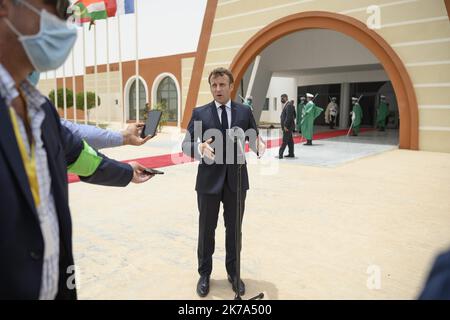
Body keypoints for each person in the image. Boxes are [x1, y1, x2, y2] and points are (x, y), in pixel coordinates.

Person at [0, 0, 153, 299]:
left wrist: (126, 170)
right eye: (54, 6)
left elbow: (77, 154)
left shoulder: (39, 109)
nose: (64, 21)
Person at [182, 67, 265, 298]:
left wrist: (258, 145)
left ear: (231, 87)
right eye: (214, 85)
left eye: (221, 85)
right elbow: (185, 144)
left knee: (234, 230)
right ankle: (204, 273)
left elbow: (253, 136)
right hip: (208, 182)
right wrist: (198, 147)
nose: (217, 89)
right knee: (206, 230)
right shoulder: (200, 113)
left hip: (237, 181)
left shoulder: (244, 111)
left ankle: (234, 273)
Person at [27, 70, 155, 149]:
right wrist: (123, 137)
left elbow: (72, 133)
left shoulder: (36, 105)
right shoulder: (28, 107)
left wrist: (124, 136)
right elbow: (73, 133)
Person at [278, 94, 296, 158]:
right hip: (289, 126)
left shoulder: (289, 105)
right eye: (281, 98)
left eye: (282, 98)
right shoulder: (288, 105)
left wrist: (285, 125)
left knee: (285, 140)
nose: (281, 100)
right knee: (290, 141)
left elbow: (289, 117)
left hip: (287, 127)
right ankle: (291, 154)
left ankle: (280, 154)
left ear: (286, 98)